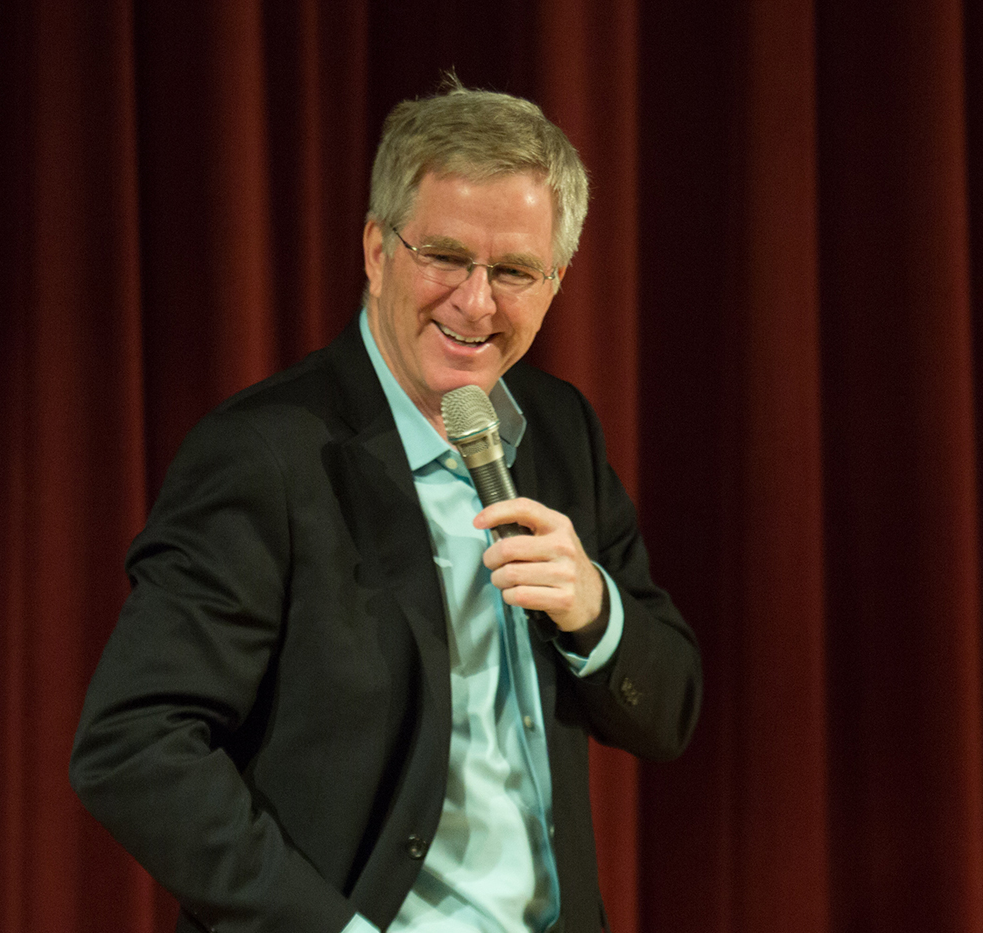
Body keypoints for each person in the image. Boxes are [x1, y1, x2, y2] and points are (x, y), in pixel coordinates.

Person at [70, 76, 701, 933]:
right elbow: (133, 745)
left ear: (556, 280)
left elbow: (668, 713)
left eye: (513, 270)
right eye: (445, 256)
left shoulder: (559, 432)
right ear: (376, 250)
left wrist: (594, 609)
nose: (475, 302)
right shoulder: (265, 454)